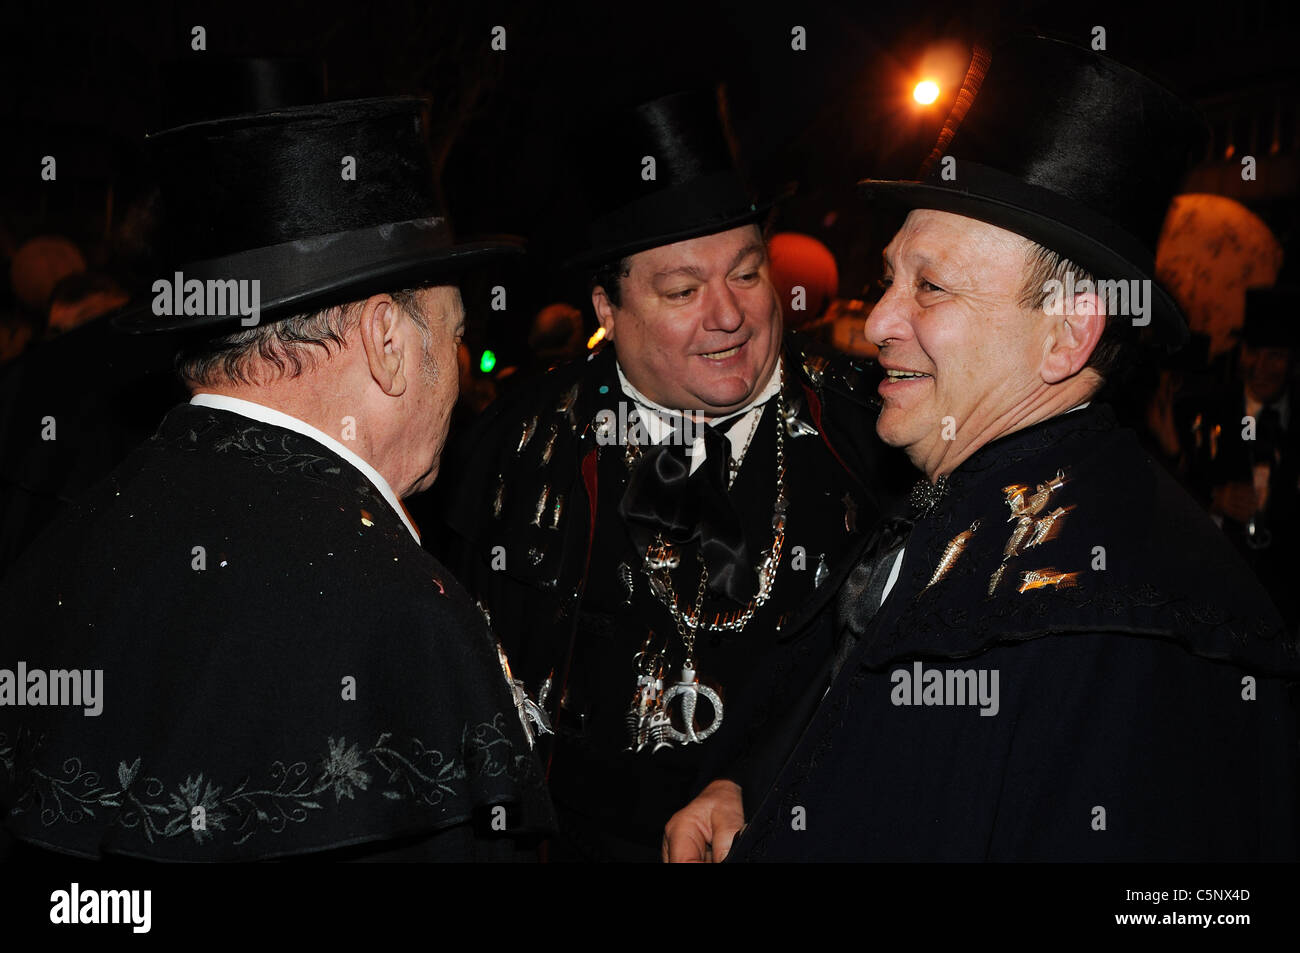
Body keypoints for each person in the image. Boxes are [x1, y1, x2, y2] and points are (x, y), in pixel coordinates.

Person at [668, 36, 1299, 862]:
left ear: (1067, 332)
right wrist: (758, 788)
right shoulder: (956, 500)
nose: (882, 320)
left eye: (930, 287)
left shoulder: (1111, 624)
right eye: (892, 278)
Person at [0, 97, 553, 861]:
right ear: (387, 343)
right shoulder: (392, 608)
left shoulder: (62, 544)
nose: (458, 375)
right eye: (455, 337)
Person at [443, 90, 898, 861]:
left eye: (748, 276)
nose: (727, 315)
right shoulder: (509, 454)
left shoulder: (875, 433)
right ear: (607, 306)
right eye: (683, 291)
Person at [1186, 284, 1299, 631]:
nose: (1262, 367)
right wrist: (1212, 500)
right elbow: (1170, 486)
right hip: (1216, 598)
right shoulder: (1202, 411)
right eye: (1254, 352)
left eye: (1275, 356)